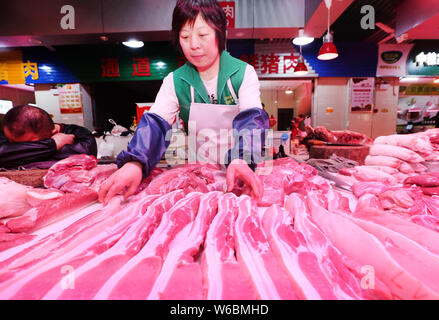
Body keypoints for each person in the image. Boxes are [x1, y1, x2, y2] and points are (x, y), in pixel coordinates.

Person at [98, 0, 269, 204]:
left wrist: (243, 158)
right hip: (203, 177)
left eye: (203, 35)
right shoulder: (175, 81)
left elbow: (252, 120)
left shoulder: (242, 73)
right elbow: (155, 124)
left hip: (242, 168)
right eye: (185, 36)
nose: (194, 45)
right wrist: (135, 162)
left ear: (220, 33)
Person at [0, 104, 97, 169]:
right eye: (12, 143)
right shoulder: (9, 134)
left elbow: (86, 156)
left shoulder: (79, 135)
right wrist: (53, 144)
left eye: (31, 143)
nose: (20, 150)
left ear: (53, 132)